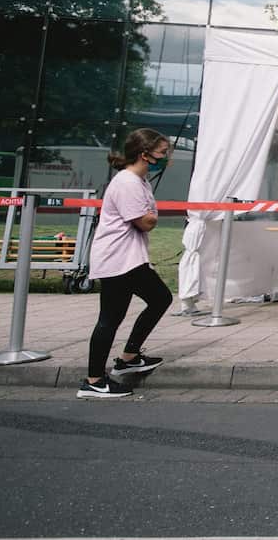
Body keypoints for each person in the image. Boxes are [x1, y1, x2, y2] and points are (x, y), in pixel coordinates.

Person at [77, 128, 175, 398]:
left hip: (126, 259)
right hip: (118, 260)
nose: (167, 158)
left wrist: (150, 215)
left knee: (158, 299)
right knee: (111, 318)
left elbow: (149, 216)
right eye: (162, 153)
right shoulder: (128, 183)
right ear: (145, 155)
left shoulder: (138, 182)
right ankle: (95, 380)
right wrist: (151, 216)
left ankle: (128, 358)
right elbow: (146, 222)